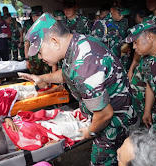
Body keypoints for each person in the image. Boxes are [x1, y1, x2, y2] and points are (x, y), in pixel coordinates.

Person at [19, 13, 137, 166]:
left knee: (101, 161)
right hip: (109, 111)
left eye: (40, 52)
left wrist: (90, 131)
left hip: (116, 120)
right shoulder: (77, 43)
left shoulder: (84, 65)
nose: (40, 58)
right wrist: (43, 78)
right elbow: (67, 73)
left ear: (54, 42)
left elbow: (104, 114)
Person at [124, 21, 156, 131]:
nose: (134, 47)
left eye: (136, 42)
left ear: (150, 37)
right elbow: (150, 84)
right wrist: (147, 111)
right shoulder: (145, 60)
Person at [24, 6, 56, 74]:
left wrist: (54, 63)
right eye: (33, 16)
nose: (35, 18)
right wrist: (27, 60)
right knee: (35, 78)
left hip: (46, 58)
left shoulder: (49, 27)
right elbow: (26, 45)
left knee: (46, 77)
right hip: (33, 60)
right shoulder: (30, 29)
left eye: (38, 16)